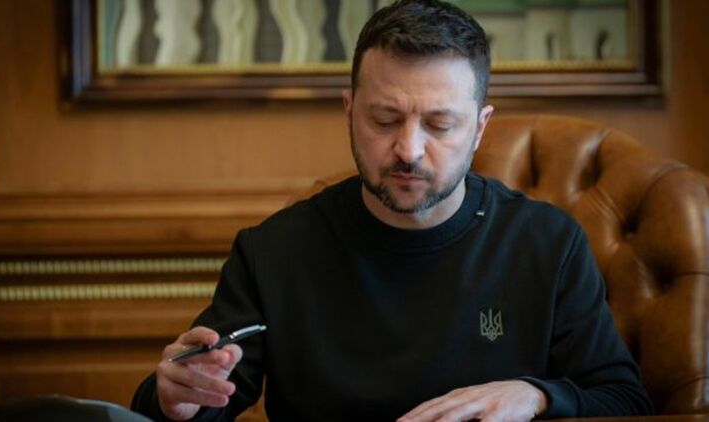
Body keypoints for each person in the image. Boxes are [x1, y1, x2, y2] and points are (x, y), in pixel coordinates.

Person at [131, 1, 654, 421]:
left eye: (440, 125)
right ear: (349, 112)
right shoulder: (273, 251)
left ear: (479, 128)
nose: (409, 149)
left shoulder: (548, 243)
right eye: (384, 120)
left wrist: (535, 395)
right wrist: (174, 401)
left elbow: (625, 401)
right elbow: (199, 399)